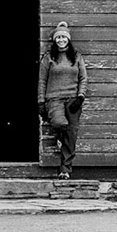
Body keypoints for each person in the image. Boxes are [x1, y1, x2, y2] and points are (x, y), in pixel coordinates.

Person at [38, 20, 88, 180]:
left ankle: (65, 169)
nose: (61, 40)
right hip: (54, 99)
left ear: (68, 39)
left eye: (63, 37)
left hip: (73, 100)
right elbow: (42, 81)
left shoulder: (76, 57)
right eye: (58, 37)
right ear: (54, 40)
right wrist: (40, 102)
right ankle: (62, 140)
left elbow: (83, 78)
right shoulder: (49, 58)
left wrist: (80, 97)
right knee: (60, 124)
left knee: (72, 134)